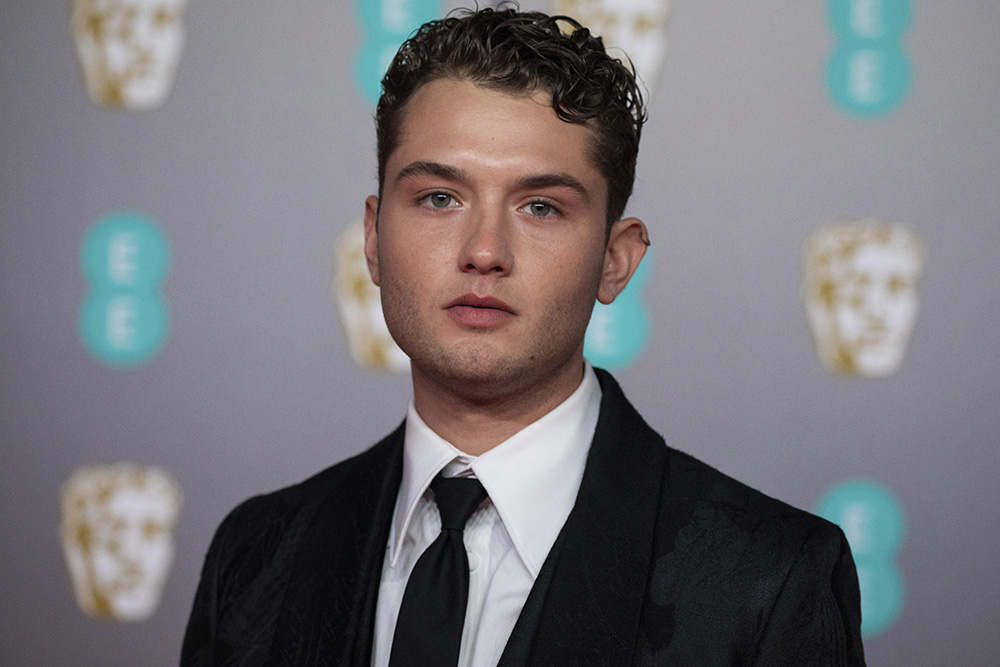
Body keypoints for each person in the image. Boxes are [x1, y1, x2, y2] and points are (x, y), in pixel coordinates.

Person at [181, 6, 866, 666]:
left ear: (615, 259)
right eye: (439, 198)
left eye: (540, 206)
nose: (484, 251)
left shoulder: (771, 578)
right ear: (373, 237)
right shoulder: (255, 554)